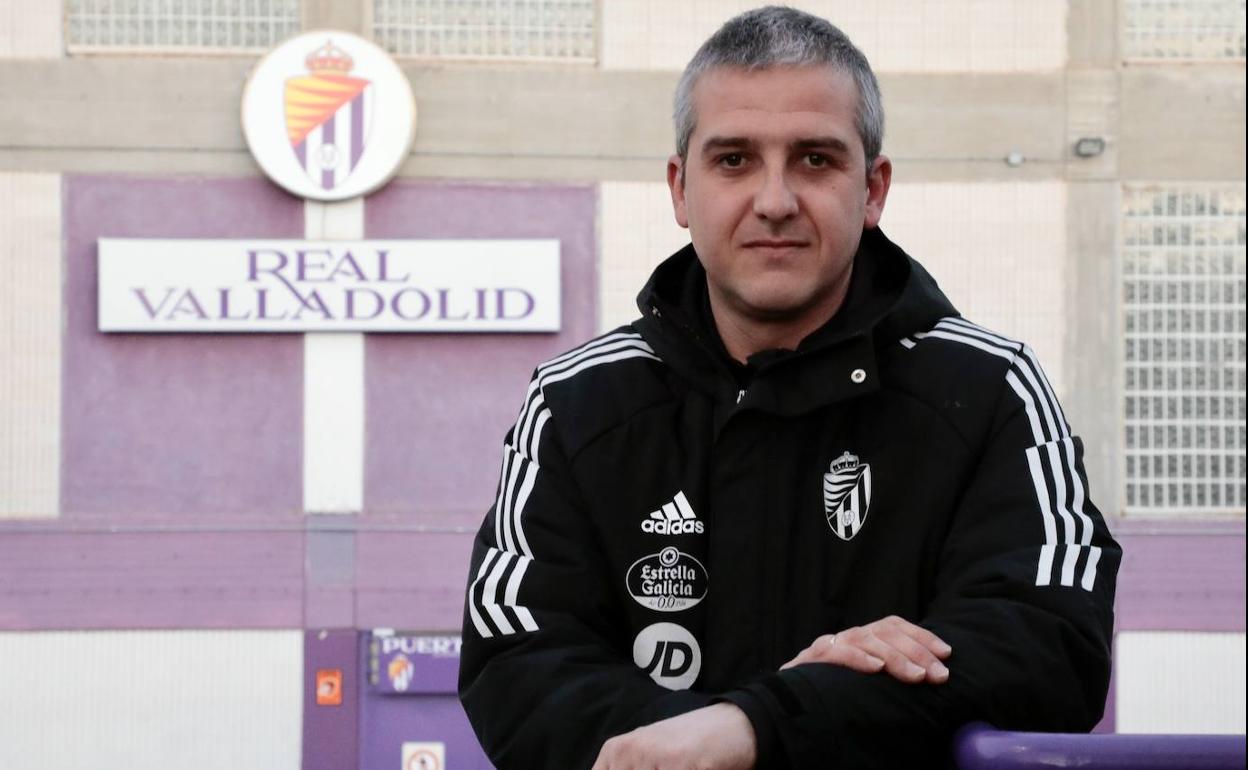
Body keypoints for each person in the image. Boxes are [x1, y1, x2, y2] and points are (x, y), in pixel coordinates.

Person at [458, 6, 1120, 768]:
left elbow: (1051, 645)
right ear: (681, 189)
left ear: (873, 190)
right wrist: (762, 724)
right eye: (734, 160)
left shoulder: (993, 389)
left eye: (814, 160)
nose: (775, 200)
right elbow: (516, 662)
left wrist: (757, 727)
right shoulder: (577, 405)